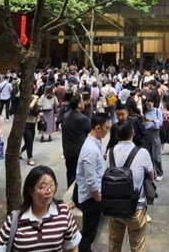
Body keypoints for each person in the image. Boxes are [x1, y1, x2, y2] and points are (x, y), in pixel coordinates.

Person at [0, 166, 80, 252]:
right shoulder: (15, 218)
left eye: (52, 185)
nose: (49, 191)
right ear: (30, 190)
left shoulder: (63, 212)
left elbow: (72, 245)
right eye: (43, 187)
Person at [106, 120, 154, 252]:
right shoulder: (142, 152)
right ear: (132, 133)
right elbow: (152, 175)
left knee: (114, 245)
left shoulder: (110, 152)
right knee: (137, 246)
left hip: (114, 208)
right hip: (135, 208)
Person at [75, 113, 111, 252]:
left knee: (89, 229)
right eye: (106, 128)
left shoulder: (94, 143)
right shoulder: (90, 149)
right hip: (90, 198)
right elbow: (90, 180)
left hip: (91, 195)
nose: (107, 131)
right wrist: (98, 198)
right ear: (97, 128)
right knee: (89, 233)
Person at [61, 97, 91, 187]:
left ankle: (69, 190)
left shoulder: (66, 116)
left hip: (68, 150)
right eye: (82, 101)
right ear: (79, 104)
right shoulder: (83, 118)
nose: (83, 103)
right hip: (79, 150)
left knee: (70, 172)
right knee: (78, 174)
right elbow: (90, 131)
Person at [142, 97, 164, 181]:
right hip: (147, 134)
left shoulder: (158, 110)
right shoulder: (145, 112)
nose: (148, 106)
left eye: (149, 104)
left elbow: (160, 122)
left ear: (153, 103)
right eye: (146, 104)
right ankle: (152, 173)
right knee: (148, 155)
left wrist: (151, 121)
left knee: (156, 155)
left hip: (155, 133)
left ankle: (160, 172)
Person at [23, 95, 39, 166]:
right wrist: (35, 98)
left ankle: (20, 152)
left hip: (32, 125)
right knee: (29, 141)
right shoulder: (26, 107)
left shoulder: (36, 106)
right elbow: (30, 107)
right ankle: (30, 159)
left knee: (30, 141)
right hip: (26, 125)